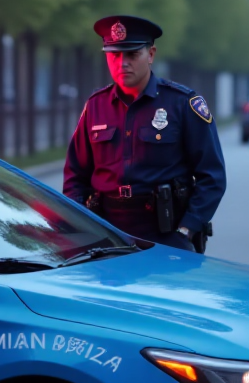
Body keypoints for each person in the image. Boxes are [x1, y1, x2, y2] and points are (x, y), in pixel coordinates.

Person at [63, 15, 226, 253]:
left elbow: (212, 176)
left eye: (132, 54)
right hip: (105, 235)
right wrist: (80, 225)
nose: (122, 63)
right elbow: (75, 176)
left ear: (150, 55)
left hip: (166, 235)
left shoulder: (182, 103)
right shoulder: (96, 106)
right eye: (114, 55)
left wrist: (186, 230)